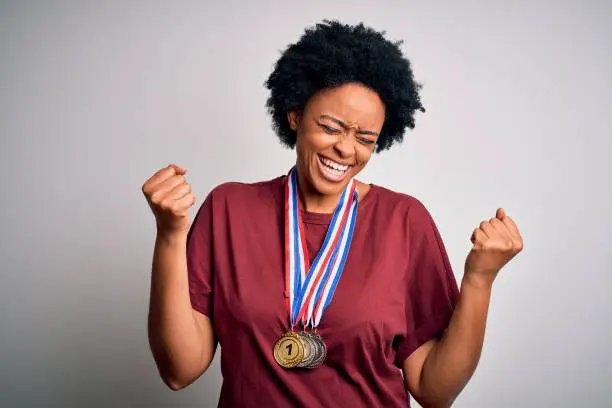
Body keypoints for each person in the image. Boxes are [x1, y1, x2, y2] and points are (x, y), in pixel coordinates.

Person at [142, 20, 523, 408]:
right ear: (295, 115)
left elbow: (433, 389)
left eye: (365, 139)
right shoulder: (229, 210)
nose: (345, 149)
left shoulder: (404, 222)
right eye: (330, 127)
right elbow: (179, 370)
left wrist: (480, 279)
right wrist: (170, 235)